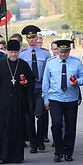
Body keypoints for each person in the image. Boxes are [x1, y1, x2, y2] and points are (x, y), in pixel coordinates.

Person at [0, 40, 35, 163]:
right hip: (1, 104)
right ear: (7, 52)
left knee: (16, 130)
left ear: (19, 52)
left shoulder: (23, 65)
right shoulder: (0, 65)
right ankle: (1, 156)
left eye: (15, 52)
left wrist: (26, 84)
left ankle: (15, 156)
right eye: (11, 52)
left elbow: (31, 80)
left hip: (17, 104)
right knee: (1, 128)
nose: (13, 54)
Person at [43, 40, 83, 162]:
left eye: (66, 52)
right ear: (57, 51)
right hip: (55, 98)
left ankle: (68, 151)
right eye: (61, 52)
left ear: (69, 50)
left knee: (70, 126)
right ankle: (58, 151)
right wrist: (46, 99)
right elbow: (46, 82)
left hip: (71, 98)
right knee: (56, 124)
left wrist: (77, 82)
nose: (63, 54)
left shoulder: (76, 62)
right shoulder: (50, 63)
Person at [20, 25, 51, 153]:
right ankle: (33, 143)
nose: (31, 40)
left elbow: (49, 72)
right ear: (27, 39)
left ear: (37, 37)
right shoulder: (22, 55)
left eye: (33, 37)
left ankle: (40, 139)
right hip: (28, 89)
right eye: (29, 38)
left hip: (40, 88)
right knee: (29, 117)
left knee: (41, 115)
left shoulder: (45, 53)